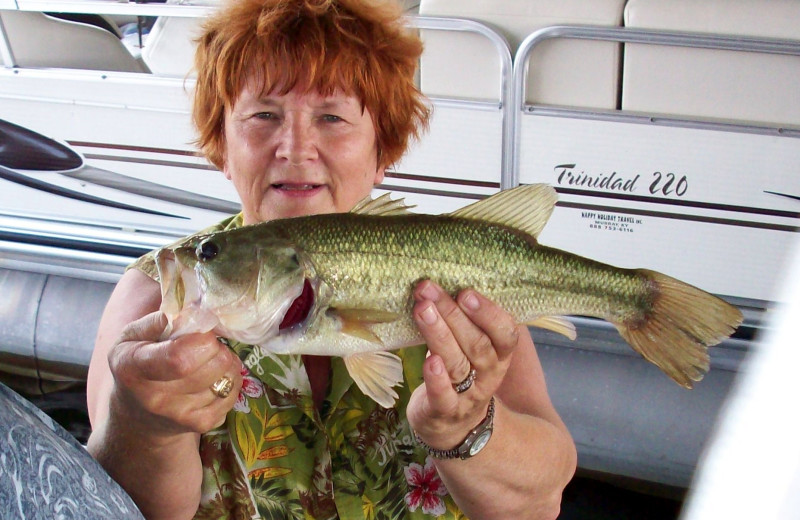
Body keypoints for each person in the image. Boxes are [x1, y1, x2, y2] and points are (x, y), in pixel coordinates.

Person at [86, 0, 577, 518]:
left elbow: (540, 503)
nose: (296, 149)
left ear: (381, 150)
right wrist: (145, 426)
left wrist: (469, 427)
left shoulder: (460, 275)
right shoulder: (155, 297)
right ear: (221, 145)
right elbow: (116, 507)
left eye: (332, 117)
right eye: (264, 115)